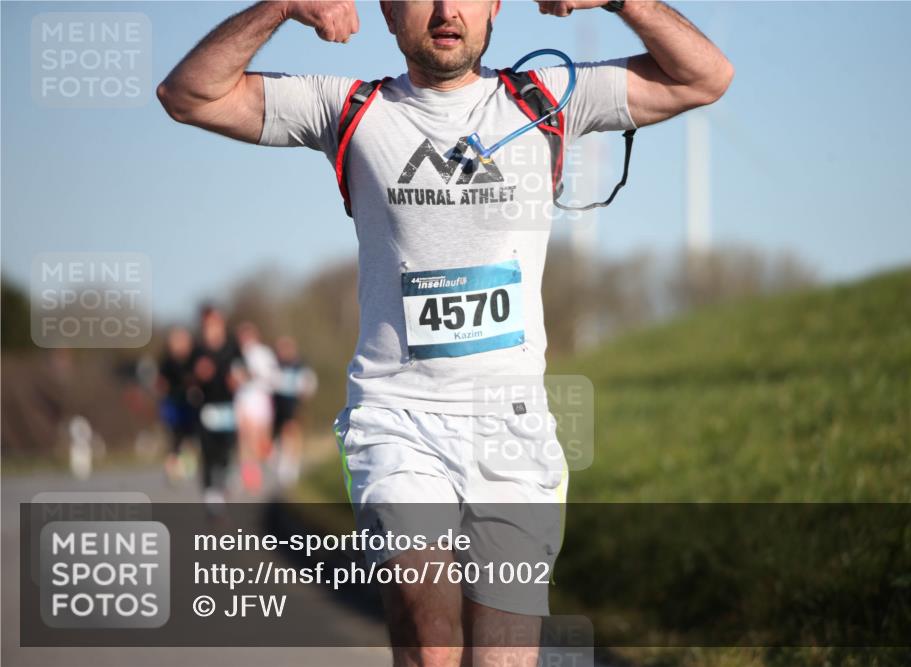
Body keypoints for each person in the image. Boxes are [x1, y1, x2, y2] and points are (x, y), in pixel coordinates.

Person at [158, 1, 732, 664]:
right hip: (397, 419)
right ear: (388, 13)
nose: (444, 9)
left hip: (511, 432)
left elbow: (705, 77)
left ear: (493, 8)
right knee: (430, 640)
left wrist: (620, 1)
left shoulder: (547, 99)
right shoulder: (350, 110)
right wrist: (285, 6)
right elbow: (186, 94)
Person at [191, 305, 244, 510]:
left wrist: (237, 378)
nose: (212, 328)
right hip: (206, 407)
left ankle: (225, 479)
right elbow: (187, 379)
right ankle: (211, 493)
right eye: (208, 325)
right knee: (208, 452)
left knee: (226, 450)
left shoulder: (232, 345)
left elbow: (242, 369)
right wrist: (197, 374)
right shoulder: (198, 349)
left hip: (228, 406)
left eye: (215, 323)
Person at [234, 321, 279, 493]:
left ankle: (269, 454)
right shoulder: (236, 353)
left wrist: (256, 376)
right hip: (242, 399)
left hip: (259, 398)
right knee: (244, 438)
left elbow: (273, 377)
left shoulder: (264, 353)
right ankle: (249, 475)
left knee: (259, 440)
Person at [271, 335, 317, 487]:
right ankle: (283, 460)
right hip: (278, 405)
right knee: (281, 434)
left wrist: (304, 393)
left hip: (294, 404)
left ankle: (291, 465)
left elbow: (310, 384)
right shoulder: (276, 365)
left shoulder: (301, 366)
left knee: (292, 432)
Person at [156, 326, 198, 482]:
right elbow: (160, 382)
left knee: (189, 435)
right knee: (175, 436)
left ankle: (186, 463)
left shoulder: (192, 359)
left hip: (188, 402)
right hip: (173, 403)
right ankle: (172, 467)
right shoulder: (166, 361)